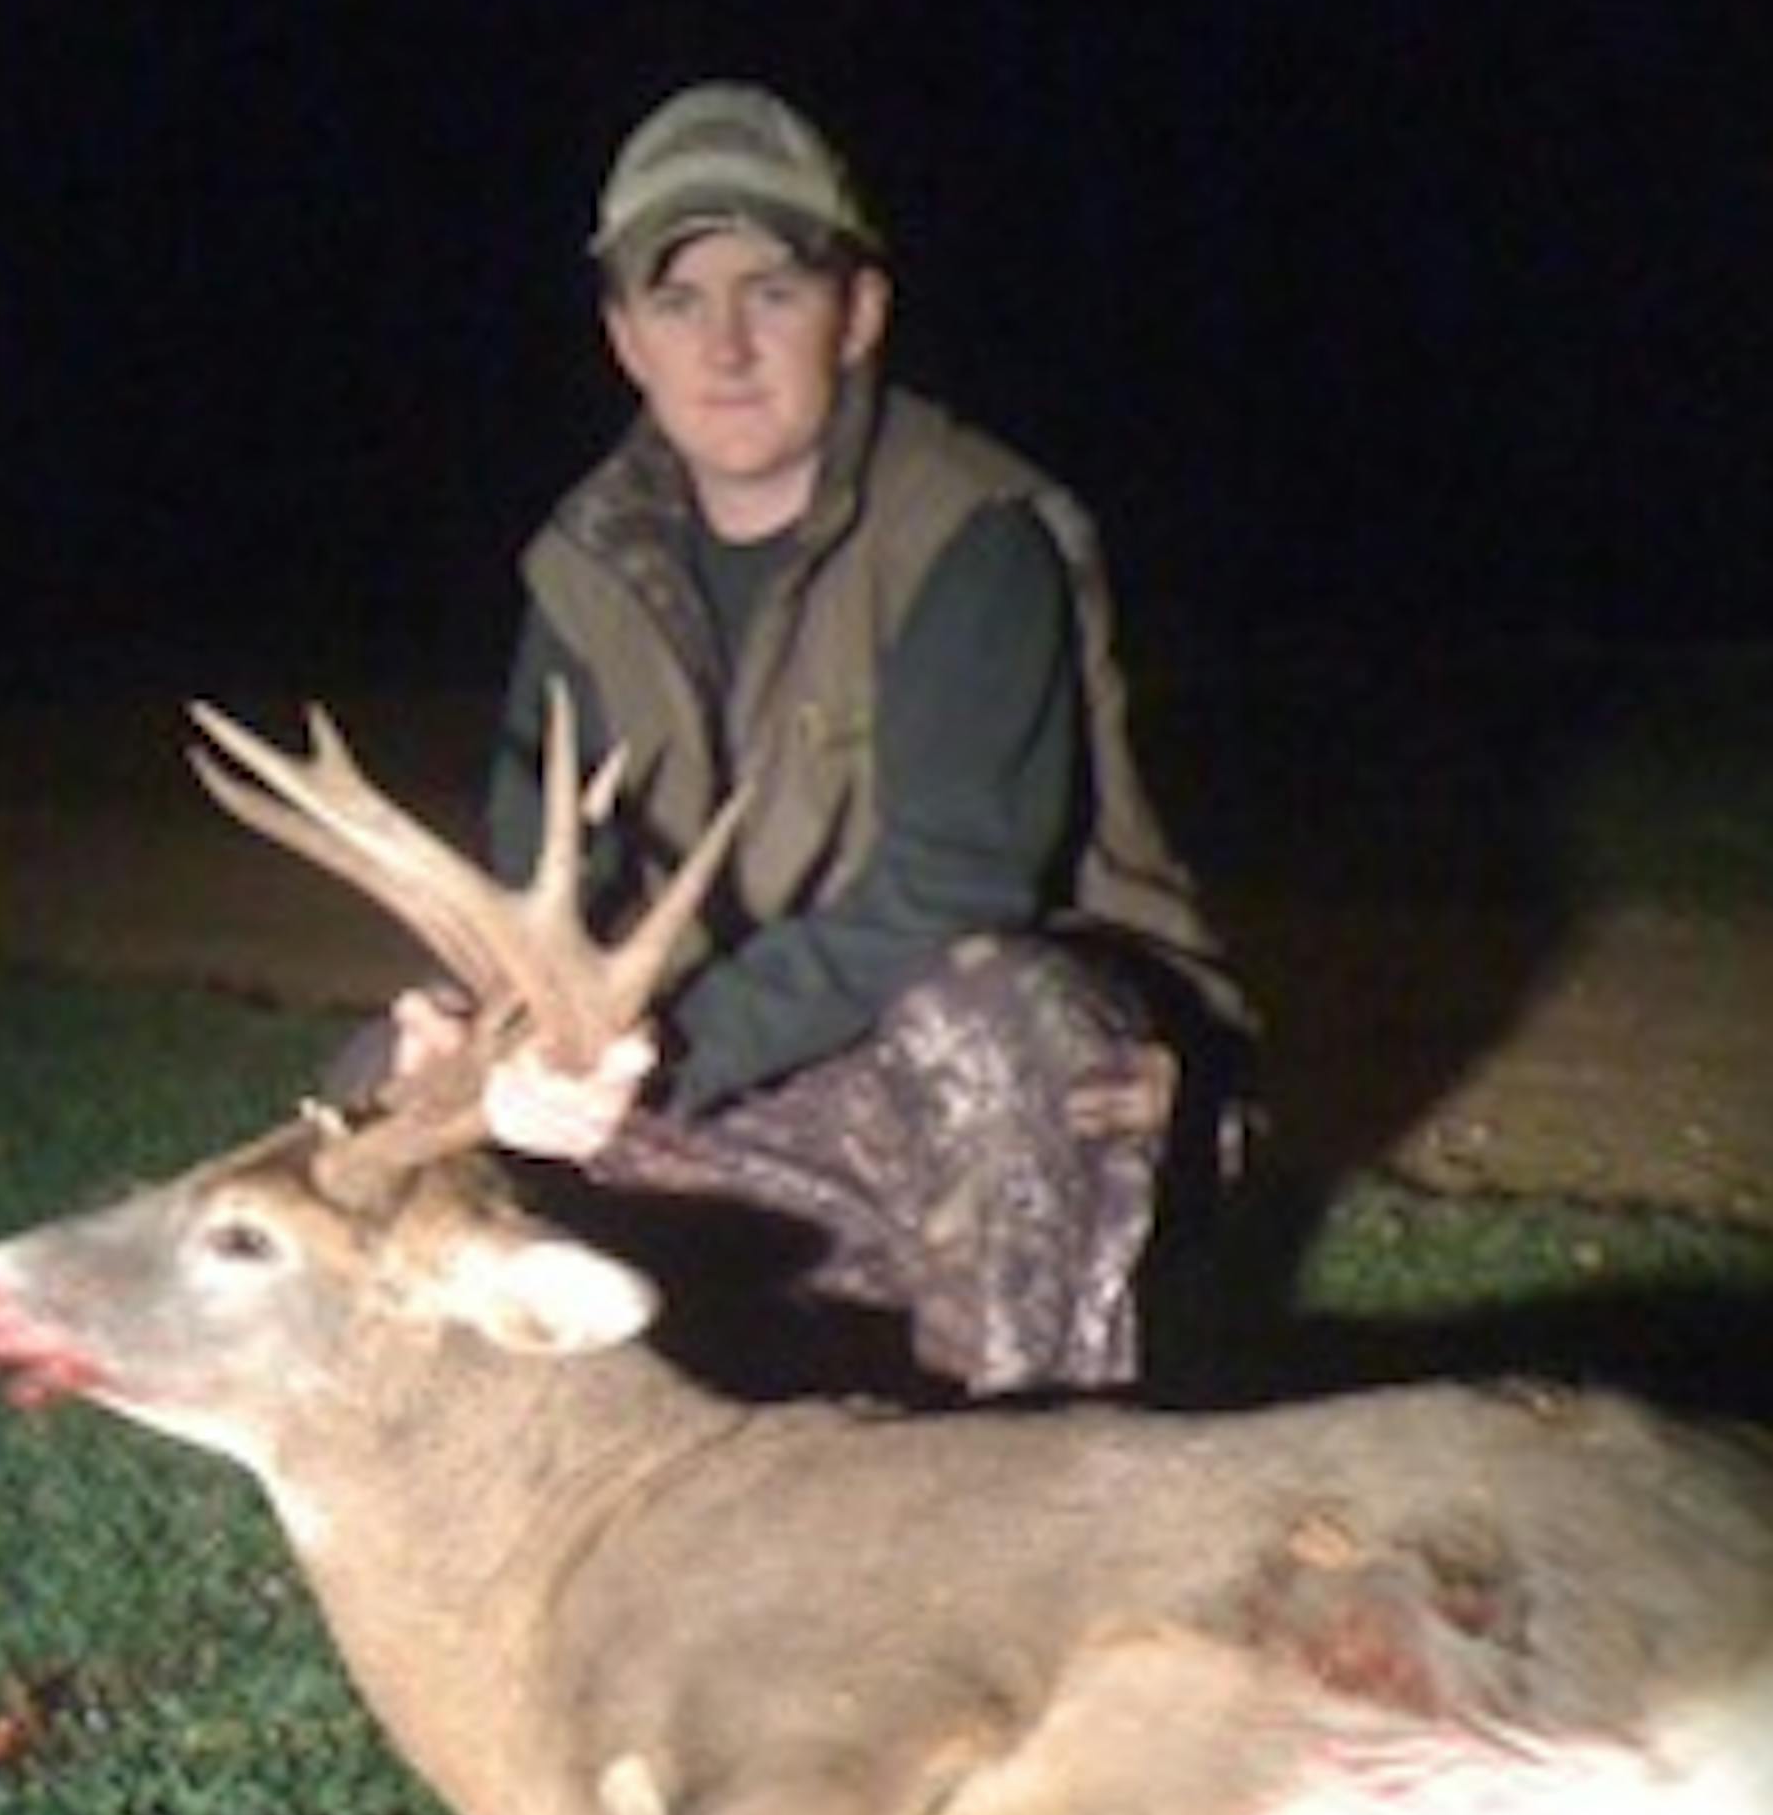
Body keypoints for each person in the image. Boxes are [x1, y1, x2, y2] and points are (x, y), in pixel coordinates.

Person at [396, 81, 1256, 1395]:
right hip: (751, 1088)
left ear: (858, 314)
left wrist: (659, 1059)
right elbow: (540, 879)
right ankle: (582, 1483)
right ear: (626, 337)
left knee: (999, 1011)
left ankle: (1032, 1476)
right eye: (678, 302)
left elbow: (959, 882)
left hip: (1031, 1094)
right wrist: (502, 1039)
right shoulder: (582, 563)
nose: (724, 347)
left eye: (775, 294)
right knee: (393, 1090)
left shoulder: (971, 534)